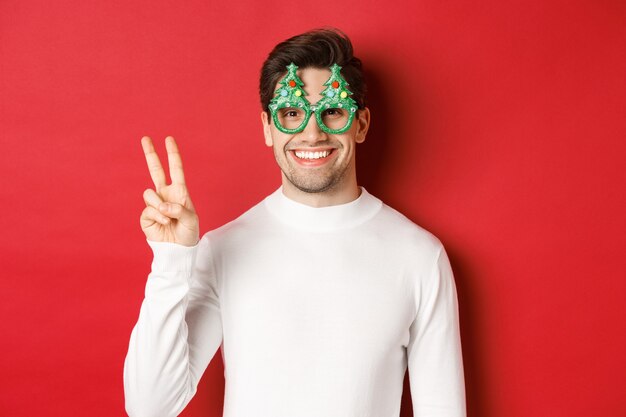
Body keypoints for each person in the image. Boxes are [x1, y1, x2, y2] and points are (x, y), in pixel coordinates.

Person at [124, 28, 466, 417]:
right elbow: (149, 407)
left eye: (333, 111)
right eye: (291, 113)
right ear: (268, 128)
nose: (312, 133)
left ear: (362, 123)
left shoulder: (419, 256)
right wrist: (171, 260)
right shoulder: (222, 250)